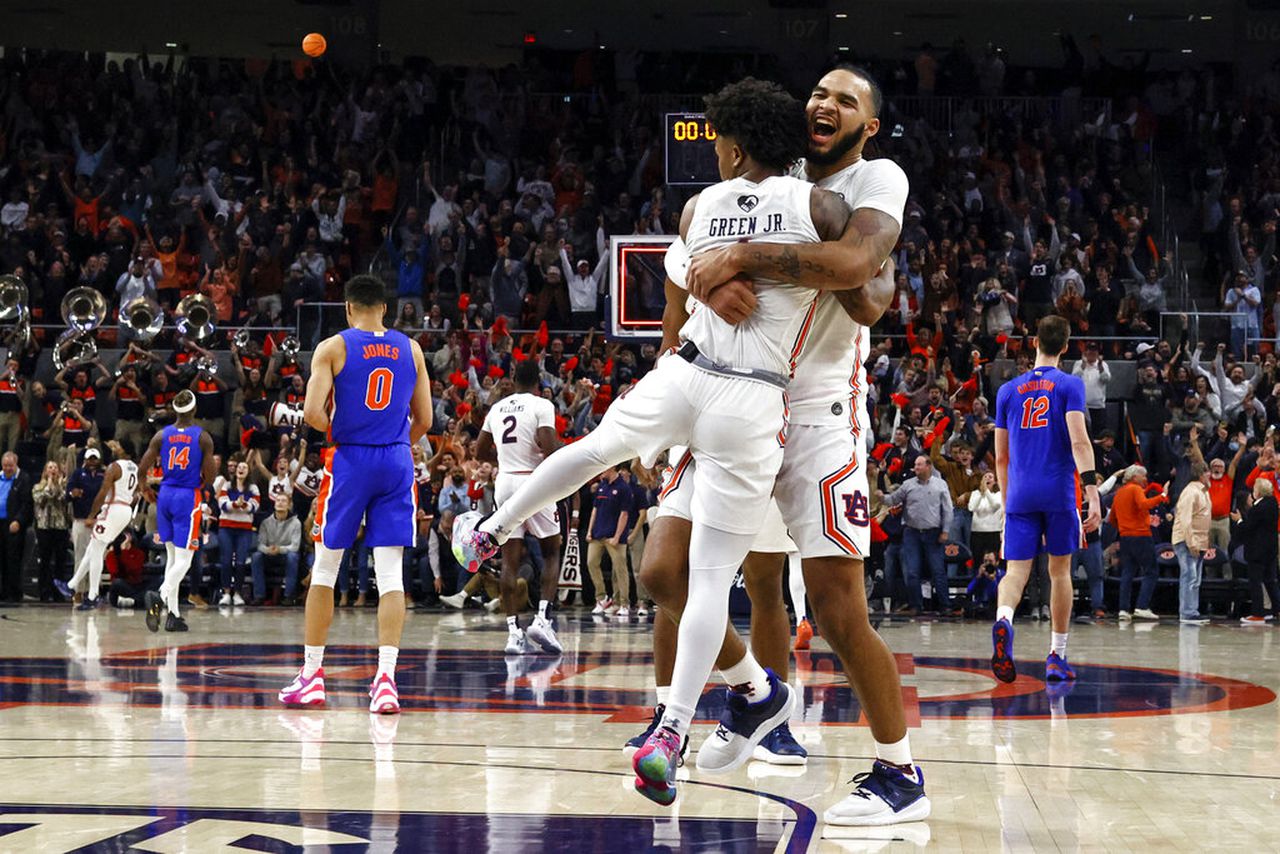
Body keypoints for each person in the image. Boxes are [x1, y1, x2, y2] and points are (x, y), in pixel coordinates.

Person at [454, 77, 867, 807]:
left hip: (689, 373)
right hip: (754, 393)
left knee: (590, 451)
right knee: (710, 576)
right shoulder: (821, 205)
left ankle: (490, 532)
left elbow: (688, 270)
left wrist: (728, 267)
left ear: (733, 148)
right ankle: (670, 734)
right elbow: (862, 281)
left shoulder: (697, 207)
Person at [632, 65, 924, 826]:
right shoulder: (774, 180)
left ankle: (900, 771)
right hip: (736, 402)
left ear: (869, 126)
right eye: (820, 93)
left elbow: (863, 280)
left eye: (847, 101)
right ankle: (756, 695)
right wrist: (704, 283)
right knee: (665, 570)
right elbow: (687, 259)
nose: (825, 105)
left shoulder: (875, 178)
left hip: (821, 414)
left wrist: (746, 258)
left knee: (834, 608)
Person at [278, 274, 433, 715]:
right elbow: (423, 418)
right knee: (391, 575)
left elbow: (311, 414)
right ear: (385, 308)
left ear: (348, 308)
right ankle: (386, 681)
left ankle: (312, 675)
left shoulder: (333, 347)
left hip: (351, 460)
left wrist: (350, 430)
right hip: (397, 458)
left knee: (327, 567)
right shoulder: (412, 349)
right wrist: (394, 437)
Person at [989, 315, 1101, 684]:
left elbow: (1001, 458)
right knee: (1059, 572)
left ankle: (1004, 619)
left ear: (1034, 341)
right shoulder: (1070, 385)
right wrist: (1092, 493)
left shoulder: (1007, 391)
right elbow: (1080, 441)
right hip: (1058, 491)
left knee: (1016, 572)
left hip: (1020, 491)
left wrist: (1008, 503)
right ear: (1066, 347)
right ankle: (1057, 655)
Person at [475, 357, 565, 654]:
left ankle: (513, 633)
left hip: (505, 481)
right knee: (552, 550)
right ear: (538, 382)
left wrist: (502, 461)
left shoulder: (497, 408)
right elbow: (550, 449)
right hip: (533, 481)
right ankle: (542, 618)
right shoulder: (542, 405)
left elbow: (479, 451)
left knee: (510, 559)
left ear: (512, 380)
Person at [138, 389, 217, 632]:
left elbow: (142, 468)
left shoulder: (161, 435)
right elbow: (211, 476)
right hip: (186, 497)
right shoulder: (202, 437)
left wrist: (144, 489)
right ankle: (160, 597)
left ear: (175, 410)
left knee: (172, 557)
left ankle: (173, 615)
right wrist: (203, 481)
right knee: (185, 559)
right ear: (194, 409)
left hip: (165, 495)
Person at [61, 441, 139, 608]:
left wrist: (91, 515)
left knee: (96, 550)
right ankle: (71, 586)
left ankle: (92, 595)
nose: (115, 448)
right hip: (125, 510)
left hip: (114, 508)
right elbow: (137, 494)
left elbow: (103, 493)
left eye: (118, 446)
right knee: (93, 549)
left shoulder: (114, 467)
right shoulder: (135, 467)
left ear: (125, 451)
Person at [883, 456, 955, 614]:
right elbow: (893, 499)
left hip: (933, 532)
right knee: (912, 571)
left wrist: (945, 530)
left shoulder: (940, 485)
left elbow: (948, 509)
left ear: (928, 466)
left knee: (938, 570)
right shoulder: (908, 485)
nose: (915, 468)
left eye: (919, 465)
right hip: (912, 532)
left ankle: (945, 605)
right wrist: (882, 497)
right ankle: (916, 605)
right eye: (915, 465)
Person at [1110, 465, 1168, 621]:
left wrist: (1123, 527)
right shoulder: (1135, 490)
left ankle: (1123, 609)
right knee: (1151, 570)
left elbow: (1111, 519)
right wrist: (1162, 496)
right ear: (1135, 477)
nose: (1146, 479)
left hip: (1125, 537)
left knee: (1127, 572)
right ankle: (1142, 606)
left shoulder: (1119, 493)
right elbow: (1143, 505)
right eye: (1144, 476)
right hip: (1141, 535)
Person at [586, 466, 632, 616]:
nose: (601, 471)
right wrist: (589, 531)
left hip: (614, 536)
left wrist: (617, 536)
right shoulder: (602, 486)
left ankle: (624, 603)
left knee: (620, 569)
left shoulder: (623, 487)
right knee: (591, 563)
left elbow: (624, 514)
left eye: (603, 468)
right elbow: (595, 510)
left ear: (611, 467)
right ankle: (602, 597)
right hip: (598, 533)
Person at [1234, 478, 1280, 625]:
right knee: (1270, 581)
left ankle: (1258, 614)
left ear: (1258, 491)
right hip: (1270, 550)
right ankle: (1277, 610)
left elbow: (1248, 529)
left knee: (1255, 582)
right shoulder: (1273, 504)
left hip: (1257, 552)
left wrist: (1239, 520)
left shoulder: (1257, 508)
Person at [1172, 461, 1212, 625]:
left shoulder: (1204, 492)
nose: (1210, 475)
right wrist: (1191, 542)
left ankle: (1192, 611)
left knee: (1196, 579)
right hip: (1188, 540)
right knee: (1189, 576)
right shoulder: (1190, 492)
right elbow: (1185, 519)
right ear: (1202, 474)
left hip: (1200, 540)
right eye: (1208, 472)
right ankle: (1187, 613)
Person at [216, 460, 259, 606]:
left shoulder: (253, 488)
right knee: (226, 560)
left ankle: (238, 593)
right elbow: (222, 505)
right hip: (226, 528)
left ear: (248, 472)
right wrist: (236, 504)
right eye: (239, 467)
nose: (241, 469)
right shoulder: (227, 485)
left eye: (244, 467)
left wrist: (243, 505)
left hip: (244, 529)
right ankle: (226, 593)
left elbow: (254, 507)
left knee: (241, 562)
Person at [33, 461, 72, 603]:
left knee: (60, 561)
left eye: (55, 467)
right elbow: (44, 497)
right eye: (50, 467)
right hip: (44, 527)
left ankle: (59, 592)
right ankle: (44, 591)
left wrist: (59, 484)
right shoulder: (37, 487)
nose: (53, 470)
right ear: (45, 470)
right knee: (45, 561)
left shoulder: (64, 487)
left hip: (60, 527)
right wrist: (49, 483)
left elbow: (63, 497)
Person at [252, 496, 302, 604]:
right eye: (278, 501)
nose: (280, 503)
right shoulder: (265, 522)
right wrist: (268, 550)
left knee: (293, 556)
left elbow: (295, 546)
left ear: (289, 505)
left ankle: (289, 596)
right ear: (274, 504)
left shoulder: (296, 523)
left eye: (283, 501)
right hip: (269, 554)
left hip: (285, 555)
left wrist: (280, 549)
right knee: (256, 556)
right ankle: (259, 596)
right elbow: (260, 544)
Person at [0, 451, 32, 602]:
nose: (7, 468)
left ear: (16, 464)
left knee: (13, 559)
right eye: (5, 465)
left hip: (13, 524)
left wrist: (18, 521)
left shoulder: (23, 479)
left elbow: (27, 505)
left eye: (10, 465)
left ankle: (14, 592)